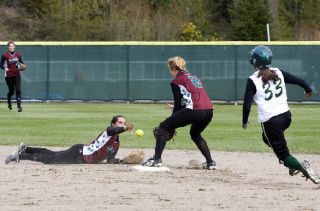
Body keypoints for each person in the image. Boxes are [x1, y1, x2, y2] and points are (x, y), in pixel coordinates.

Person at [242, 45, 319, 184]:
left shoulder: (252, 79)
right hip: (286, 117)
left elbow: (247, 104)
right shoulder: (278, 72)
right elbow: (300, 81)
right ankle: (291, 163)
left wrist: (244, 120)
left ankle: (303, 169)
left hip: (271, 121)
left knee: (282, 154)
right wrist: (308, 89)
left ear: (254, 62)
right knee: (267, 139)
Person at [142, 56, 216, 170]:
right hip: (209, 111)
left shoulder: (176, 81)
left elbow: (177, 104)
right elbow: (195, 98)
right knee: (195, 134)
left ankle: (156, 159)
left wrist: (170, 126)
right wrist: (181, 109)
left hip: (194, 110)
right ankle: (210, 162)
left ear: (172, 69)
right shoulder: (193, 77)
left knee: (163, 127)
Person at [5, 115, 134, 164]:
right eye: (121, 122)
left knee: (52, 154)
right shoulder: (109, 132)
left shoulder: (116, 143)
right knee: (51, 160)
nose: (123, 124)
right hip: (79, 152)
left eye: (124, 123)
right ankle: (18, 156)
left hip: (81, 158)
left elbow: (110, 160)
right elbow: (113, 130)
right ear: (113, 124)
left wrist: (123, 161)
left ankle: (27, 149)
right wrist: (125, 129)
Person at [0, 40, 25, 112]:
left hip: (17, 74)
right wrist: (5, 68)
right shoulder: (5, 55)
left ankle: (19, 107)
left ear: (14, 47)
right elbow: (0, 64)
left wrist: (22, 67)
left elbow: (22, 63)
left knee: (18, 90)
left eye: (12, 46)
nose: (11, 47)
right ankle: (9, 101)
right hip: (8, 75)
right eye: (10, 46)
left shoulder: (18, 54)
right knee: (11, 91)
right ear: (8, 47)